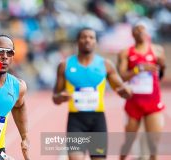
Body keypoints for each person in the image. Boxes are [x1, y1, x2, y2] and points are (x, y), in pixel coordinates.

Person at [52, 28, 132, 160]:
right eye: (84, 37)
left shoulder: (105, 65)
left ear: (95, 42)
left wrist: (126, 92)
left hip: (97, 121)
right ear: (78, 41)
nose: (87, 40)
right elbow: (55, 97)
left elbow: (123, 91)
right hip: (75, 121)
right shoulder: (65, 65)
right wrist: (60, 97)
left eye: (91, 37)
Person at [117, 24, 166, 160]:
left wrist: (162, 66)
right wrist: (138, 69)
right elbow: (121, 76)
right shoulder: (126, 52)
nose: (139, 32)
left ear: (147, 33)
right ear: (132, 35)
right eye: (136, 30)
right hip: (134, 103)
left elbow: (160, 75)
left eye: (142, 29)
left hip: (153, 102)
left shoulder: (157, 50)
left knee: (153, 145)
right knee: (129, 142)